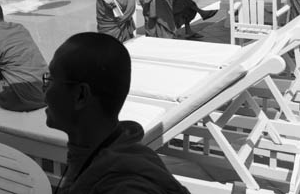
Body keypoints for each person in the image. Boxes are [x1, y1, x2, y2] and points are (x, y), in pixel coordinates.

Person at [43, 32, 190, 194]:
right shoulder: (96, 152)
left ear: (81, 95)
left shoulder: (124, 185)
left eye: (51, 79)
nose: (44, 90)